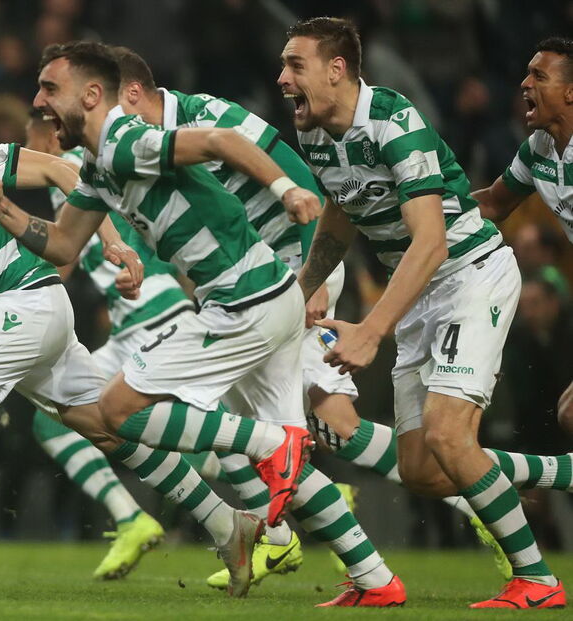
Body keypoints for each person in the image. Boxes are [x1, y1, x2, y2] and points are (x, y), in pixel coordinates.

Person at [0, 40, 405, 606]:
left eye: (50, 89)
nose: (39, 101)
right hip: (259, 299)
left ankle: (280, 444)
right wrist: (2, 207)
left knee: (117, 411)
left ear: (94, 95)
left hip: (245, 304)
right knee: (266, 457)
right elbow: (61, 244)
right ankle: (376, 579)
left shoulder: (128, 142)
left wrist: (287, 189)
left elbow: (222, 141)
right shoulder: (102, 166)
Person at [0, 78, 288, 596]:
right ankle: (231, 524)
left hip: (26, 301)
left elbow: (61, 168)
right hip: (14, 313)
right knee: (111, 425)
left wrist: (112, 242)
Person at [112, 45, 521, 584]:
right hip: (245, 284)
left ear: (131, 94)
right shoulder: (142, 146)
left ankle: (472, 495)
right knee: (300, 424)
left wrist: (316, 281)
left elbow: (307, 191)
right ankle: (299, 535)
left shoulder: (211, 117)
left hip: (287, 272)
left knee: (306, 424)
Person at [282, 17, 565, 609]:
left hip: (468, 276)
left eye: (295, 66)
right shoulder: (314, 132)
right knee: (422, 470)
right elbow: (342, 205)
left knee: (447, 432)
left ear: (337, 70)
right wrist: (308, 285)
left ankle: (538, 582)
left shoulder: (391, 119)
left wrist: (371, 332)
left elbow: (432, 241)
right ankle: (558, 472)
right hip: (417, 291)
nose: (283, 78)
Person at [24, 109, 173, 580]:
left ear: (44, 131)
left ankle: (303, 495)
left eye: (28, 138)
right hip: (146, 315)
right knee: (63, 419)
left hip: (151, 316)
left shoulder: (70, 166)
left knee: (179, 430)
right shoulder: (88, 163)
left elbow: (60, 258)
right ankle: (131, 519)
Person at [473, 36, 573, 438]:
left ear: (569, 92)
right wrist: (426, 205)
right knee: (567, 415)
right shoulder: (539, 149)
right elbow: (495, 204)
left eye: (538, 75)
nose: (524, 84)